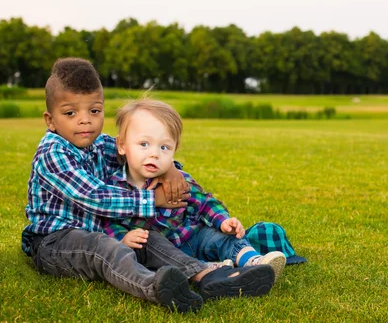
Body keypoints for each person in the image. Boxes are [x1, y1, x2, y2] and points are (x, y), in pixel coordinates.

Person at [21, 57, 275, 314]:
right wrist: (154, 200)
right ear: (50, 120)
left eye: (94, 111)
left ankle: (206, 276)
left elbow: (140, 150)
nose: (85, 121)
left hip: (107, 231)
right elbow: (95, 197)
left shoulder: (100, 143)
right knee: (105, 249)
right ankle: (156, 287)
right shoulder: (53, 152)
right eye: (70, 113)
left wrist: (172, 170)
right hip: (56, 241)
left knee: (147, 237)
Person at [103, 98, 287, 281]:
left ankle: (255, 261)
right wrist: (123, 238)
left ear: (175, 149)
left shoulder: (177, 181)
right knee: (156, 262)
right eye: (144, 144)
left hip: (194, 235)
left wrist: (223, 221)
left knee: (221, 238)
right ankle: (214, 269)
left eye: (164, 147)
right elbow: (108, 221)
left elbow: (205, 202)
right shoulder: (115, 188)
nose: (154, 153)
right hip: (164, 252)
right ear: (121, 145)